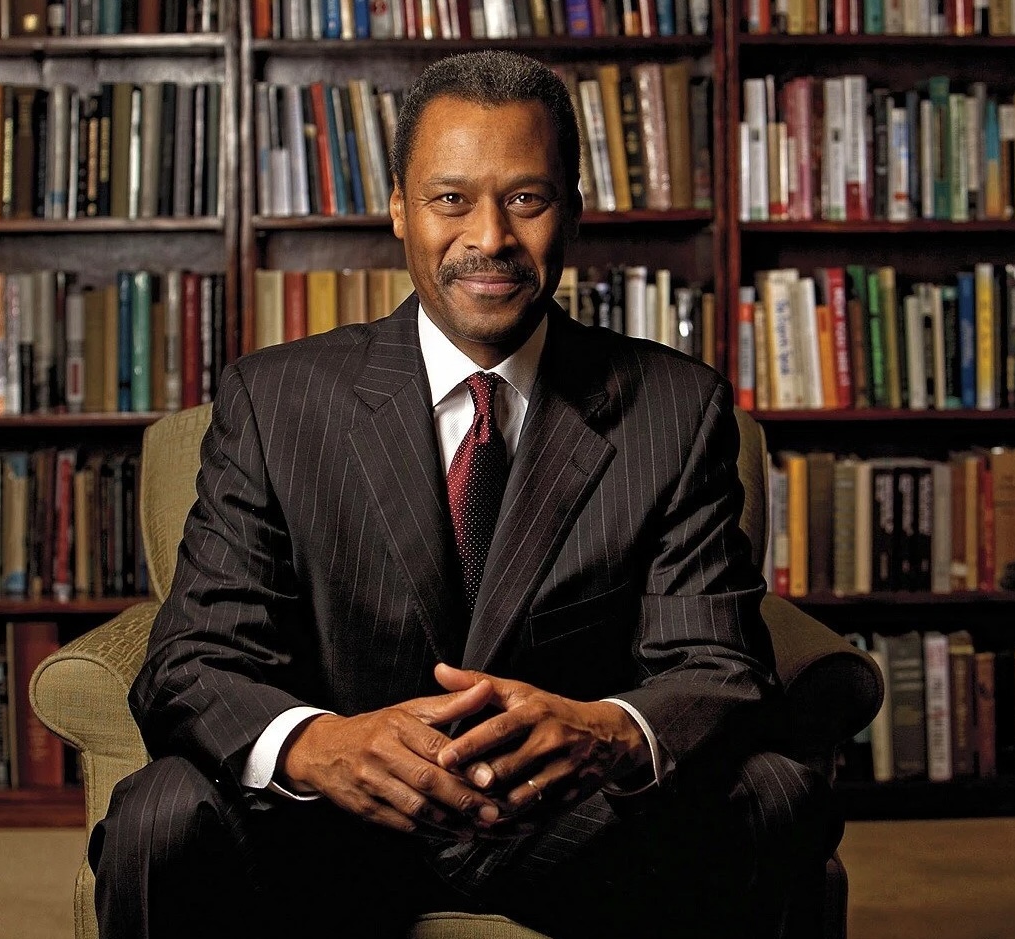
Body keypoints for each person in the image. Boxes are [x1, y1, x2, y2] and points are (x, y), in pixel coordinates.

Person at [90, 51, 838, 939]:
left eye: (526, 198)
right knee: (159, 815)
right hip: (333, 824)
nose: (490, 236)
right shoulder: (274, 399)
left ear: (573, 210)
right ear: (399, 209)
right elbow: (194, 659)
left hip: (575, 820)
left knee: (777, 793)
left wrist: (602, 730)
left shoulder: (676, 408)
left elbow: (716, 666)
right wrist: (319, 745)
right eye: (451, 198)